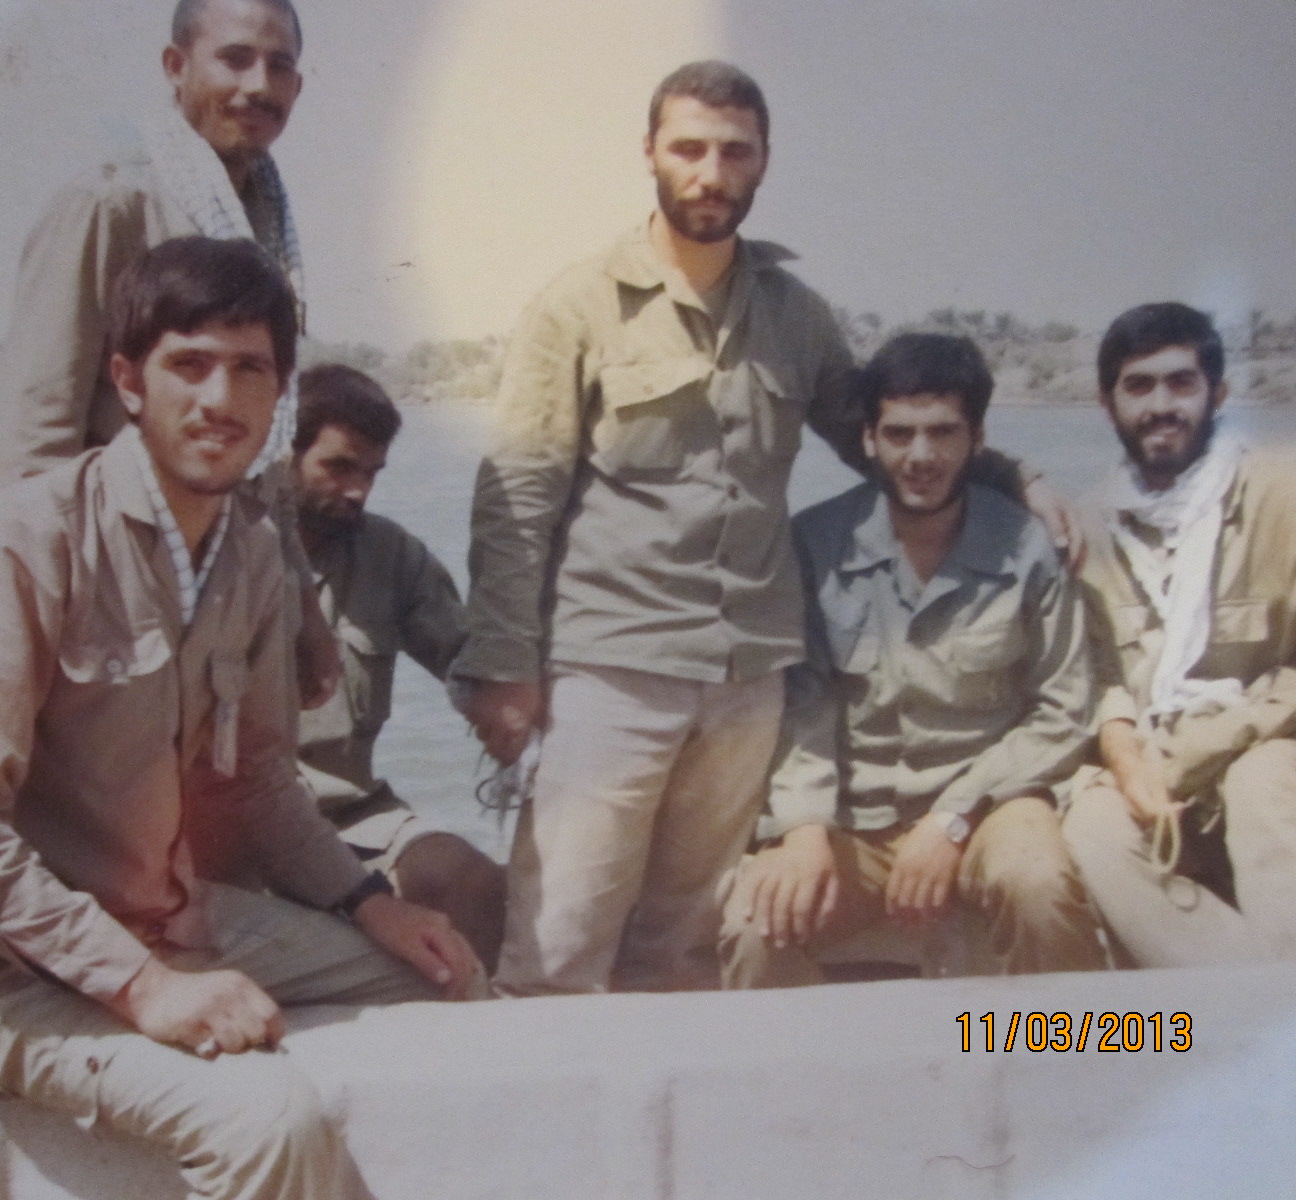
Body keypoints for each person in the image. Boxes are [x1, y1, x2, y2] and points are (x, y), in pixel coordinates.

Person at [452, 60, 1072, 996]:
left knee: (684, 948)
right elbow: (516, 499)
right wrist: (505, 663)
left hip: (749, 680)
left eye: (734, 152)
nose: (711, 173)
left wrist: (1019, 478)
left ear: (764, 161)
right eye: (689, 149)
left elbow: (881, 439)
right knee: (559, 945)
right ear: (649, 153)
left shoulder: (796, 316)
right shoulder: (577, 306)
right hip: (612, 671)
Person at [0, 237, 481, 1200]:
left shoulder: (250, 555)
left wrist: (377, 906)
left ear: (279, 394)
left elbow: (261, 782)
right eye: (189, 364)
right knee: (268, 1127)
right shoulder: (25, 541)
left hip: (164, 918)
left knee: (447, 977)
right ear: (128, 381)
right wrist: (144, 987)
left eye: (249, 369)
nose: (219, 399)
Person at [0, 0, 340, 706]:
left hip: (230, 588)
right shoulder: (112, 205)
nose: (259, 85)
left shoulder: (265, 224)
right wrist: (20, 632)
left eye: (279, 66)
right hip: (116, 596)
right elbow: (29, 441)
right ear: (176, 67)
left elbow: (259, 456)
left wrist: (300, 600)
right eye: (235, 59)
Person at [721, 333, 1106, 986]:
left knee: (1039, 884)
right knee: (757, 923)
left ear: (977, 439)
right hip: (851, 818)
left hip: (988, 807)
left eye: (943, 432)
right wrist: (804, 829)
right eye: (899, 434)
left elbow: (1063, 712)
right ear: (868, 439)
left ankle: (1069, 1045)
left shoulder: (1026, 549)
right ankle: (811, 1059)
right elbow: (800, 705)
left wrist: (953, 817)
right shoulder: (814, 545)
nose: (921, 456)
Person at [197, 363, 507, 969]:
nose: (359, 490)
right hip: (232, 830)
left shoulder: (391, 555)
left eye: (372, 472)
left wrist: (515, 707)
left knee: (469, 881)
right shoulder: (217, 546)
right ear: (284, 452)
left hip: (351, 817)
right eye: (339, 467)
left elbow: (470, 661)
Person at [1062, 302, 1296, 967]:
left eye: (1180, 383)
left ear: (1216, 394)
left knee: (1261, 784)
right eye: (1139, 386)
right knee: (1092, 826)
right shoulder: (1089, 528)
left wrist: (1211, 744)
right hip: (1150, 758)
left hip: (1264, 745)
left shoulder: (1281, 497)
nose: (1161, 406)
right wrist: (1128, 760)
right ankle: (1249, 998)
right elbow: (1099, 679)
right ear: (1107, 403)